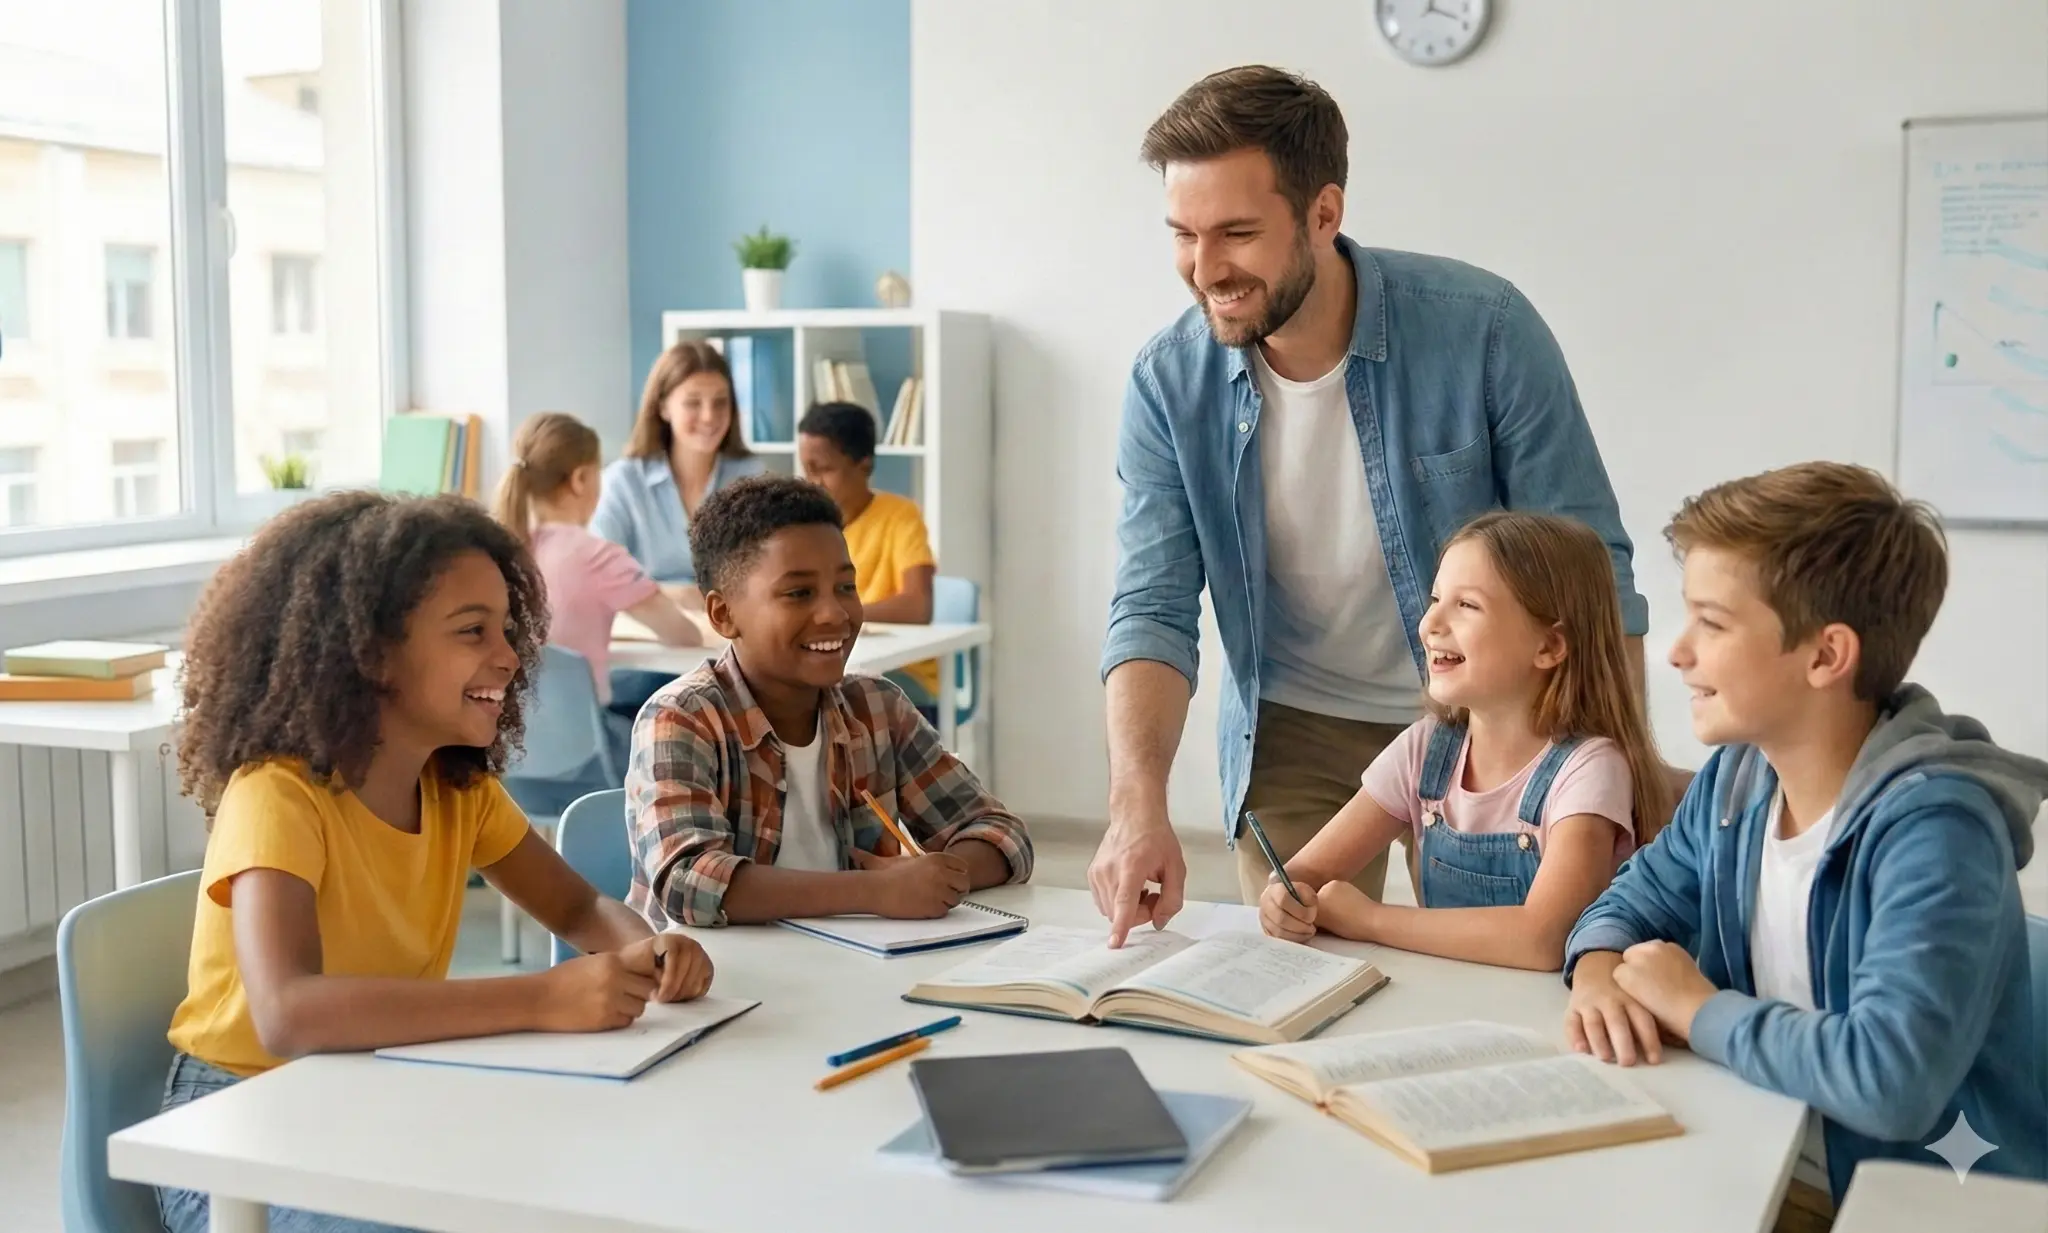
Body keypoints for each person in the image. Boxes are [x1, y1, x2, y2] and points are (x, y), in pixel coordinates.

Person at [1091, 64, 1648, 945]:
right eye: (1183, 235)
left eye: (1237, 232)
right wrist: (1136, 807)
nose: (1206, 271)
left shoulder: (1485, 330)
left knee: (1505, 963)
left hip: (1496, 720)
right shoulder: (1168, 382)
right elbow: (1152, 607)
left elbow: (1594, 569)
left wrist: (1630, 780)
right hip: (1297, 720)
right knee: (1300, 964)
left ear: (1323, 213)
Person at [158, 492, 713, 1233]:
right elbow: (289, 1012)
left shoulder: (458, 789)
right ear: (370, 651)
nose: (512, 656)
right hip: (238, 1126)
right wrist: (540, 998)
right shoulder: (277, 795)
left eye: (508, 629)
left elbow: (579, 909)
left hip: (370, 1088)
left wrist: (644, 944)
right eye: (472, 631)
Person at [1563, 462, 2046, 1215]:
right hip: (1760, 1154)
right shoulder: (1737, 780)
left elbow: (1890, 1082)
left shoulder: (1939, 835)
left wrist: (1696, 1008)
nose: (1677, 651)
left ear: (1826, 655)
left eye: (1712, 623)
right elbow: (1632, 898)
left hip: (1914, 1205)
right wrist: (1597, 974)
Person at [1260, 512, 1667, 970]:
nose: (1430, 622)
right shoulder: (1423, 750)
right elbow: (1305, 874)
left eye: (1467, 605)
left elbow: (1544, 940)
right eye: (1436, 599)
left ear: (1549, 647)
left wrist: (1370, 920)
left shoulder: (1589, 768)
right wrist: (1282, 897)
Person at [623, 475, 1032, 927]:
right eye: (799, 593)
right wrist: (876, 891)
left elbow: (1001, 833)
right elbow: (688, 882)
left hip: (847, 970)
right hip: (715, 984)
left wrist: (940, 876)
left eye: (845, 587)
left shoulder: (877, 709)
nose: (835, 613)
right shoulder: (681, 719)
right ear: (724, 614)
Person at [492, 412, 704, 745]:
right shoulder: (596, 556)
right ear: (580, 479)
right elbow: (684, 635)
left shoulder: (499, 551)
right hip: (585, 749)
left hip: (511, 751)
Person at [593, 340, 765, 714]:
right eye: (693, 402)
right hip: (645, 666)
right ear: (662, 407)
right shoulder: (623, 482)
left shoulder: (751, 478)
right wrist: (676, 597)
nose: (709, 415)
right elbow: (600, 583)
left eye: (721, 402)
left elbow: (764, 573)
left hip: (729, 656)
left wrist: (662, 593)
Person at [796, 399, 942, 705]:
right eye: (806, 469)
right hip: (830, 660)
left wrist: (838, 617)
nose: (812, 481)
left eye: (823, 469)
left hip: (901, 673)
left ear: (864, 464)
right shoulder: (806, 526)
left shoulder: (900, 516)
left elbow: (918, 606)